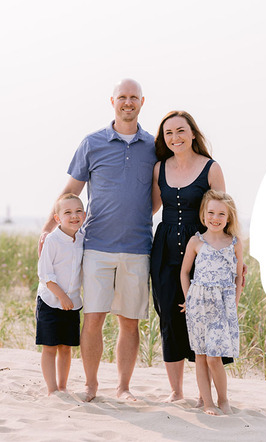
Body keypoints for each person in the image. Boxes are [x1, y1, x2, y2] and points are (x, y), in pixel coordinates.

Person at [40, 78, 156, 402]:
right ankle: (91, 384)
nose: (128, 102)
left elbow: (154, 198)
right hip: (96, 248)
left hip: (137, 248)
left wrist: (135, 215)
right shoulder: (92, 143)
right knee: (93, 320)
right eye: (123, 97)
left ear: (142, 102)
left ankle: (124, 388)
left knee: (129, 323)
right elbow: (71, 191)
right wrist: (48, 227)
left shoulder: (153, 145)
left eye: (134, 97)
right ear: (112, 101)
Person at [150, 110, 227, 402]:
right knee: (170, 317)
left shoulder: (211, 168)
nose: (175, 137)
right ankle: (176, 391)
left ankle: (205, 393)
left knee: (203, 320)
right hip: (165, 250)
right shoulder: (160, 168)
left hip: (203, 252)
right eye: (168, 133)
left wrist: (234, 256)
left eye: (180, 131)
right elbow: (152, 209)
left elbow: (224, 212)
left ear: (193, 133)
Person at [180, 190, 243, 416]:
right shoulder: (196, 241)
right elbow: (185, 272)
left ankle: (223, 400)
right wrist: (188, 298)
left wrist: (234, 302)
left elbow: (238, 276)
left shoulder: (234, 243)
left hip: (223, 303)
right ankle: (207, 402)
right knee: (200, 354)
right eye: (211, 213)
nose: (215, 218)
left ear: (228, 218)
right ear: (203, 214)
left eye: (221, 214)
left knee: (214, 356)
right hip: (198, 302)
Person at [36, 193, 85, 395]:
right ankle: (51, 389)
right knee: (50, 347)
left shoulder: (82, 239)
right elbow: (45, 275)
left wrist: (70, 298)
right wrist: (62, 296)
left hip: (72, 303)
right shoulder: (52, 240)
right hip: (50, 301)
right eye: (67, 213)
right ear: (57, 218)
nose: (74, 216)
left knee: (66, 347)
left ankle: (63, 387)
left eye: (78, 211)